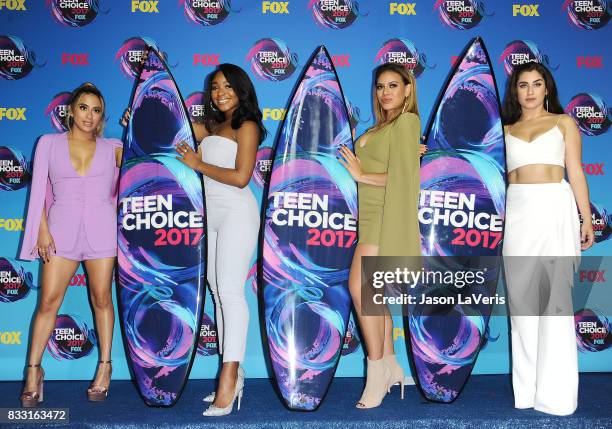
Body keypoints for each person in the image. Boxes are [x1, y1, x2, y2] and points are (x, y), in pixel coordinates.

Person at [19, 83, 122, 406]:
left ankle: (104, 366)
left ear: (102, 116)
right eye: (83, 108)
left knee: (102, 299)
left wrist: (137, 119)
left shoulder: (114, 147)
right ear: (70, 111)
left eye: (96, 110)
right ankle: (34, 371)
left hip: (103, 231)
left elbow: (148, 150)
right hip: (58, 232)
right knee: (48, 301)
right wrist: (41, 230)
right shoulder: (48, 143)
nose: (89, 115)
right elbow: (38, 191)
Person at [502, 62, 594, 416]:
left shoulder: (564, 123)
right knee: (522, 304)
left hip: (554, 207)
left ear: (546, 88)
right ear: (515, 91)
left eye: (536, 84)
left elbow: (577, 173)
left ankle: (555, 397)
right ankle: (526, 393)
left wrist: (586, 219)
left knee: (555, 303)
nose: (529, 91)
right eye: (523, 85)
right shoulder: (504, 129)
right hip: (518, 211)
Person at [175, 64, 266, 417]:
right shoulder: (212, 126)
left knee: (229, 292)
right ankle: (235, 372)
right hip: (208, 215)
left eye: (227, 86)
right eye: (214, 87)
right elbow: (175, 128)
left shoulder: (248, 125)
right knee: (216, 289)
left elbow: (242, 177)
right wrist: (135, 114)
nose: (220, 92)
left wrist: (197, 164)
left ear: (241, 89)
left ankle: (228, 377)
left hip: (237, 212)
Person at [338, 63, 426, 409]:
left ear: (408, 90)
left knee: (360, 289)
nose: (385, 92)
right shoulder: (383, 126)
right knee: (372, 296)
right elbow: (399, 164)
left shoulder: (408, 121)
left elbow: (405, 179)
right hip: (369, 215)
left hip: (386, 216)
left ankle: (376, 372)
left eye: (393, 85)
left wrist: (363, 175)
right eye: (380, 86)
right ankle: (390, 364)